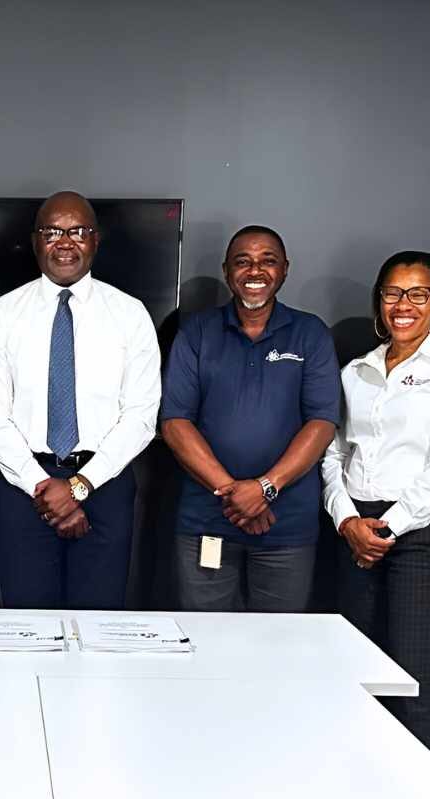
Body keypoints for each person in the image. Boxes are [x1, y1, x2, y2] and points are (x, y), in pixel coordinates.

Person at [0, 191, 160, 609]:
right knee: (26, 624)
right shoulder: (2, 315)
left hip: (105, 484)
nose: (66, 243)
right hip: (23, 487)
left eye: (78, 232)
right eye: (53, 232)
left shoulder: (130, 315)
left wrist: (79, 486)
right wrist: (43, 487)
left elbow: (141, 416)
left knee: (98, 621)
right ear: (35, 241)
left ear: (96, 240)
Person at [322, 251, 430, 753]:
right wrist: (347, 520)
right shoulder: (356, 371)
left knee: (411, 675)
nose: (403, 304)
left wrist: (388, 527)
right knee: (358, 669)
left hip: (421, 532)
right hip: (355, 530)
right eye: (392, 292)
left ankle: (419, 793)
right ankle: (360, 778)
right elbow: (334, 453)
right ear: (379, 301)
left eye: (417, 293)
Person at [161, 226, 339, 612]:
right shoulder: (197, 332)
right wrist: (235, 494)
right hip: (208, 521)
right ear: (227, 270)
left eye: (267, 261)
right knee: (205, 637)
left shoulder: (310, 334)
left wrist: (265, 489)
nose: (255, 270)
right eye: (243, 261)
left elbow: (322, 421)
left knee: (278, 640)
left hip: (286, 525)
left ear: (285, 269)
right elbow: (175, 422)